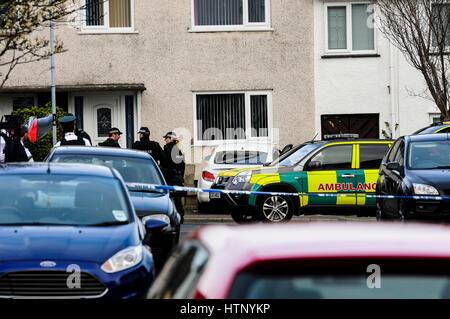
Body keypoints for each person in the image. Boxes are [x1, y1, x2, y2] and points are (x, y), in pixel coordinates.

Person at [161, 131, 186, 222]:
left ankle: (171, 217)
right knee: (178, 199)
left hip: (169, 178)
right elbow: (183, 165)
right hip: (178, 177)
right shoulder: (179, 149)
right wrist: (180, 176)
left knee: (168, 198)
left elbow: (165, 164)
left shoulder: (167, 148)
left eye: (166, 138)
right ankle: (180, 217)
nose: (165, 140)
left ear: (171, 139)